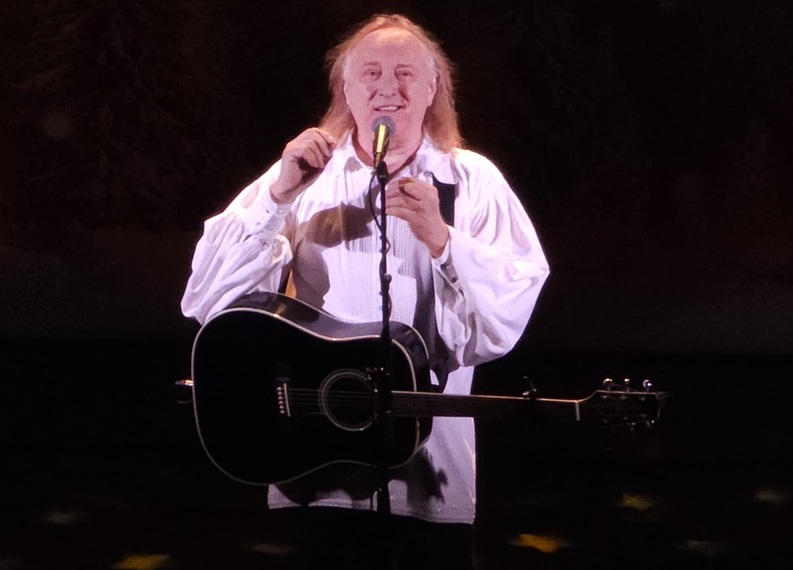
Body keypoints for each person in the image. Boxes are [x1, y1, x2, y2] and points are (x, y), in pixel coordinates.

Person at [180, 12, 550, 570]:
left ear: (433, 88)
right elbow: (207, 299)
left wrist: (444, 240)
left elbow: (507, 308)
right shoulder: (306, 176)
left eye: (405, 73)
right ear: (346, 89)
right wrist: (277, 198)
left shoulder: (471, 180)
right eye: (371, 73)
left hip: (430, 476)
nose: (387, 87)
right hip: (310, 466)